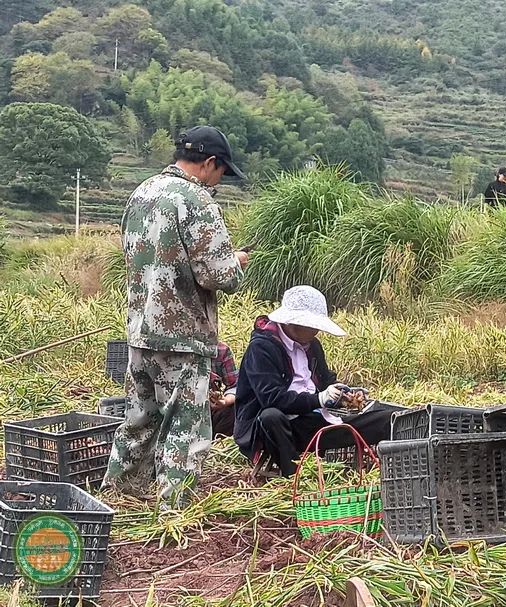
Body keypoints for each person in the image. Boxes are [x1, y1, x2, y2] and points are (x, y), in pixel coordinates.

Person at [102, 126, 249, 508]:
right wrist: (237, 261)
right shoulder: (197, 201)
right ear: (209, 163)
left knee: (139, 420)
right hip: (182, 336)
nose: (220, 181)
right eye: (222, 172)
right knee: (185, 427)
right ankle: (175, 510)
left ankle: (118, 500)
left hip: (141, 330)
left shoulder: (142, 193)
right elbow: (219, 276)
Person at [233, 285, 395, 477]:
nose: (317, 331)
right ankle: (292, 475)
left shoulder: (312, 346)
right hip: (276, 428)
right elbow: (272, 398)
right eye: (314, 326)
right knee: (271, 416)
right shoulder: (261, 348)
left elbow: (325, 380)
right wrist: (319, 399)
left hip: (312, 420)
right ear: (293, 323)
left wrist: (344, 394)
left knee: (387, 419)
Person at [209, 341, 239, 438]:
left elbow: (235, 386)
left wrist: (225, 401)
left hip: (211, 413)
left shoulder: (221, 350)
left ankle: (217, 439)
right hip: (177, 412)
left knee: (238, 407)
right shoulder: (171, 348)